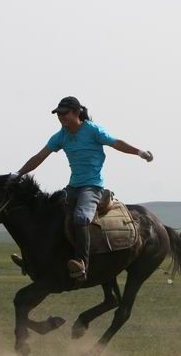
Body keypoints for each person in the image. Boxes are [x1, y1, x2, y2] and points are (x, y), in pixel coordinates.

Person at [12, 96, 153, 284]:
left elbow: (115, 142)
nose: (60, 117)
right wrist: (19, 173)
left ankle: (82, 263)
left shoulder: (92, 130)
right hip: (72, 186)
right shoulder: (61, 136)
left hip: (92, 187)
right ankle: (34, 259)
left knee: (81, 218)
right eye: (58, 114)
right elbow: (40, 157)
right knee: (48, 212)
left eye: (64, 113)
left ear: (76, 112)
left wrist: (139, 152)